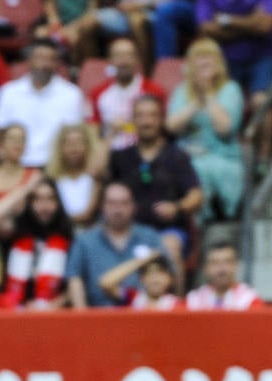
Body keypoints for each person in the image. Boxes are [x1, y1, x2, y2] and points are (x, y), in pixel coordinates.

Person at [108, 93, 200, 288]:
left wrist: (177, 207)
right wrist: (111, 134)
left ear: (161, 119)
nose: (146, 121)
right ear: (133, 120)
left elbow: (196, 196)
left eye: (152, 115)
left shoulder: (176, 156)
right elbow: (95, 171)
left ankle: (175, 308)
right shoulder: (122, 156)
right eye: (140, 116)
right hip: (128, 230)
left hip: (167, 230)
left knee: (169, 245)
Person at [166, 37, 243, 221]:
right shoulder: (182, 91)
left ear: (219, 64)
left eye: (209, 58)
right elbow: (171, 127)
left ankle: (203, 220)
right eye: (199, 58)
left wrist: (208, 94)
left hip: (221, 156)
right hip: (185, 156)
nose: (204, 63)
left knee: (199, 169)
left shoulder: (230, 89)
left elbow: (224, 129)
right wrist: (195, 102)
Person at [196, 0, 272, 163]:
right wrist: (251, 24)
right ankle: (222, 153)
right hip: (227, 58)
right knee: (217, 102)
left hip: (263, 57)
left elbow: (265, 26)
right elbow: (206, 29)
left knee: (261, 102)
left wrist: (227, 21)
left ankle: (263, 159)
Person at [0, 39, 89, 171]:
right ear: (29, 61)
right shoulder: (9, 92)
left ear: (57, 64)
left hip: (57, 167)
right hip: (17, 165)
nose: (43, 65)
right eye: (39, 58)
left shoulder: (72, 94)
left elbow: (77, 135)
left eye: (50, 59)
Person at [66, 180, 167, 307]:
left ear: (133, 206)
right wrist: (81, 319)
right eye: (112, 203)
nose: (118, 210)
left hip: (142, 313)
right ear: (102, 207)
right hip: (98, 316)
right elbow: (75, 279)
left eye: (124, 203)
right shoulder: (85, 240)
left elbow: (168, 274)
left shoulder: (150, 237)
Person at [1, 176, 72, 311]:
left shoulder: (69, 238)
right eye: (37, 199)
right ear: (29, 202)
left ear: (59, 203)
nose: (44, 206)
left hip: (54, 314)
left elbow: (74, 284)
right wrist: (25, 188)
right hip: (14, 313)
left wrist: (52, 306)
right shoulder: (15, 234)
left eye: (50, 199)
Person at [88, 36, 166, 152]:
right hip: (109, 155)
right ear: (110, 60)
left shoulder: (154, 91)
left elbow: (162, 131)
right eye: (118, 56)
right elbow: (92, 132)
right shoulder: (98, 93)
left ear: (137, 59)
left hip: (144, 154)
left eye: (129, 56)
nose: (123, 61)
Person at [44, 122, 102, 228]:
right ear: (60, 148)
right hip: (59, 230)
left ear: (88, 146)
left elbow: (88, 214)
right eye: (69, 143)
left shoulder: (95, 177)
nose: (74, 149)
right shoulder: (53, 179)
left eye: (79, 143)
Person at [184, 241, 261, 309]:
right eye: (215, 263)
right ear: (206, 268)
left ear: (236, 265)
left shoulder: (249, 299)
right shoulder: (194, 300)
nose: (221, 269)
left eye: (227, 262)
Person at [113, 251, 177, 309]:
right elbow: (107, 283)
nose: (155, 280)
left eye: (161, 274)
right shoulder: (134, 298)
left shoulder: (178, 304)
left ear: (170, 278)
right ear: (142, 278)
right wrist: (142, 261)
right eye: (150, 274)